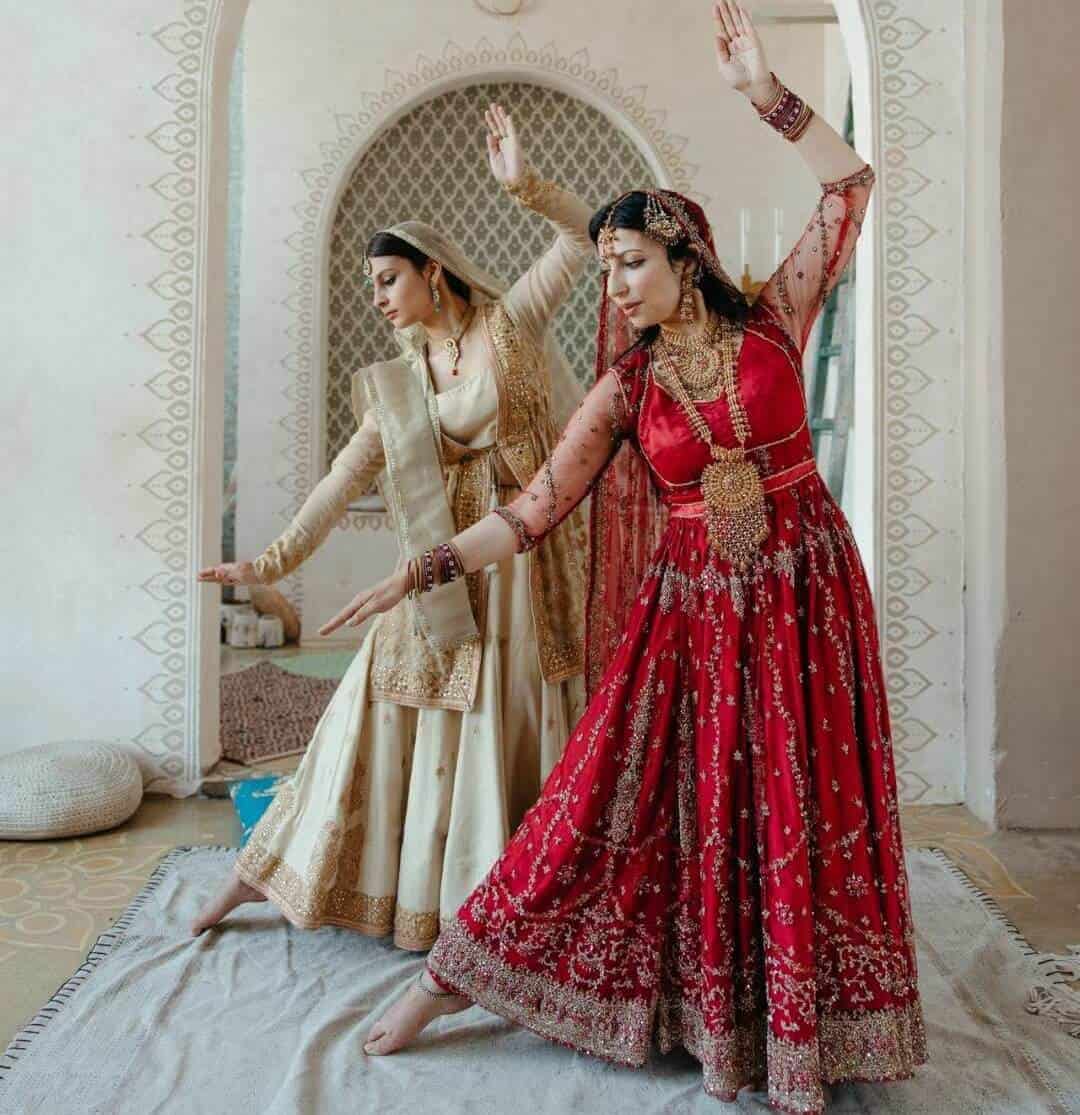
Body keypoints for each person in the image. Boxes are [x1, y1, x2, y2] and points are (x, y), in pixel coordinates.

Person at [325, 7, 926, 1111]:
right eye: (604, 269)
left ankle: (794, 1030)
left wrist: (768, 95)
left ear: (685, 256)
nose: (616, 287)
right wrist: (421, 570)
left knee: (795, 802)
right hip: (689, 611)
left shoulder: (775, 320)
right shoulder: (627, 387)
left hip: (806, 595)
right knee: (604, 799)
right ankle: (458, 977)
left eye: (632, 263)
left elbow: (848, 193)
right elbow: (536, 507)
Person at [193, 105, 591, 952]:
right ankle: (271, 874)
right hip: (434, 568)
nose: (376, 298)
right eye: (372, 284)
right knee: (364, 714)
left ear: (433, 272)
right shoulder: (396, 385)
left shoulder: (509, 326)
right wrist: (267, 561)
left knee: (500, 724)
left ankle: (494, 912)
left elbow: (580, 244)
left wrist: (525, 187)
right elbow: (343, 478)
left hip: (520, 562)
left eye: (386, 279)